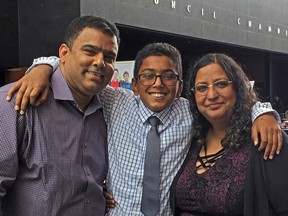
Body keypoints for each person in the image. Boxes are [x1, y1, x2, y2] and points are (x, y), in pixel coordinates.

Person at [6, 43, 282, 215]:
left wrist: (265, 113)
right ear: (135, 84)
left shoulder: (191, 111)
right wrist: (43, 66)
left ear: (180, 85)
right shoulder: (114, 101)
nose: (158, 84)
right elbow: (79, 74)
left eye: (168, 76)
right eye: (148, 76)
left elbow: (232, 103)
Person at [0, 15, 120, 215]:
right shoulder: (17, 101)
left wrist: (96, 192)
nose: (100, 62)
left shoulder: (108, 109)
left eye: (109, 57)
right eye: (90, 51)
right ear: (64, 53)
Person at [170, 53, 288, 215]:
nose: (211, 95)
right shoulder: (191, 139)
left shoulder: (264, 138)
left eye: (221, 84)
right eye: (202, 88)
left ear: (238, 88)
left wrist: (265, 115)